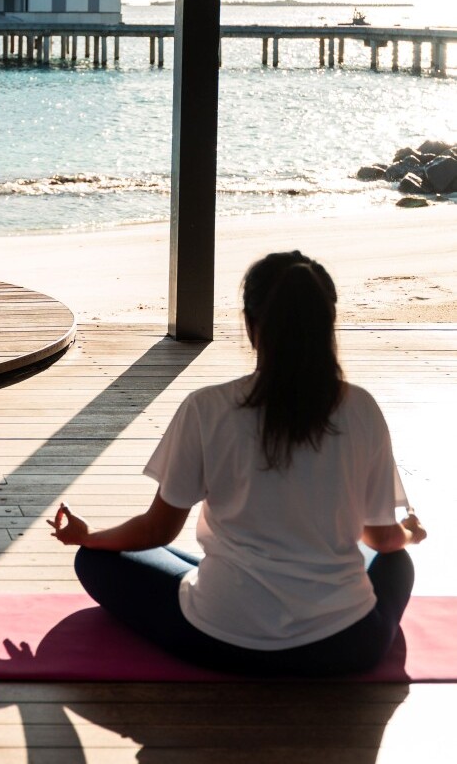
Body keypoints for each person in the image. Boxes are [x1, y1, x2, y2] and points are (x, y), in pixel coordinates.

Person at [48, 251, 427, 676]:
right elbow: (381, 539)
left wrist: (89, 536)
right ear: (327, 325)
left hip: (220, 639)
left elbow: (159, 530)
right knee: (398, 564)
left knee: (94, 560)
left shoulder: (207, 409)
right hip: (343, 648)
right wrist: (408, 534)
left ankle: (223, 584)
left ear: (250, 325)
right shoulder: (362, 409)